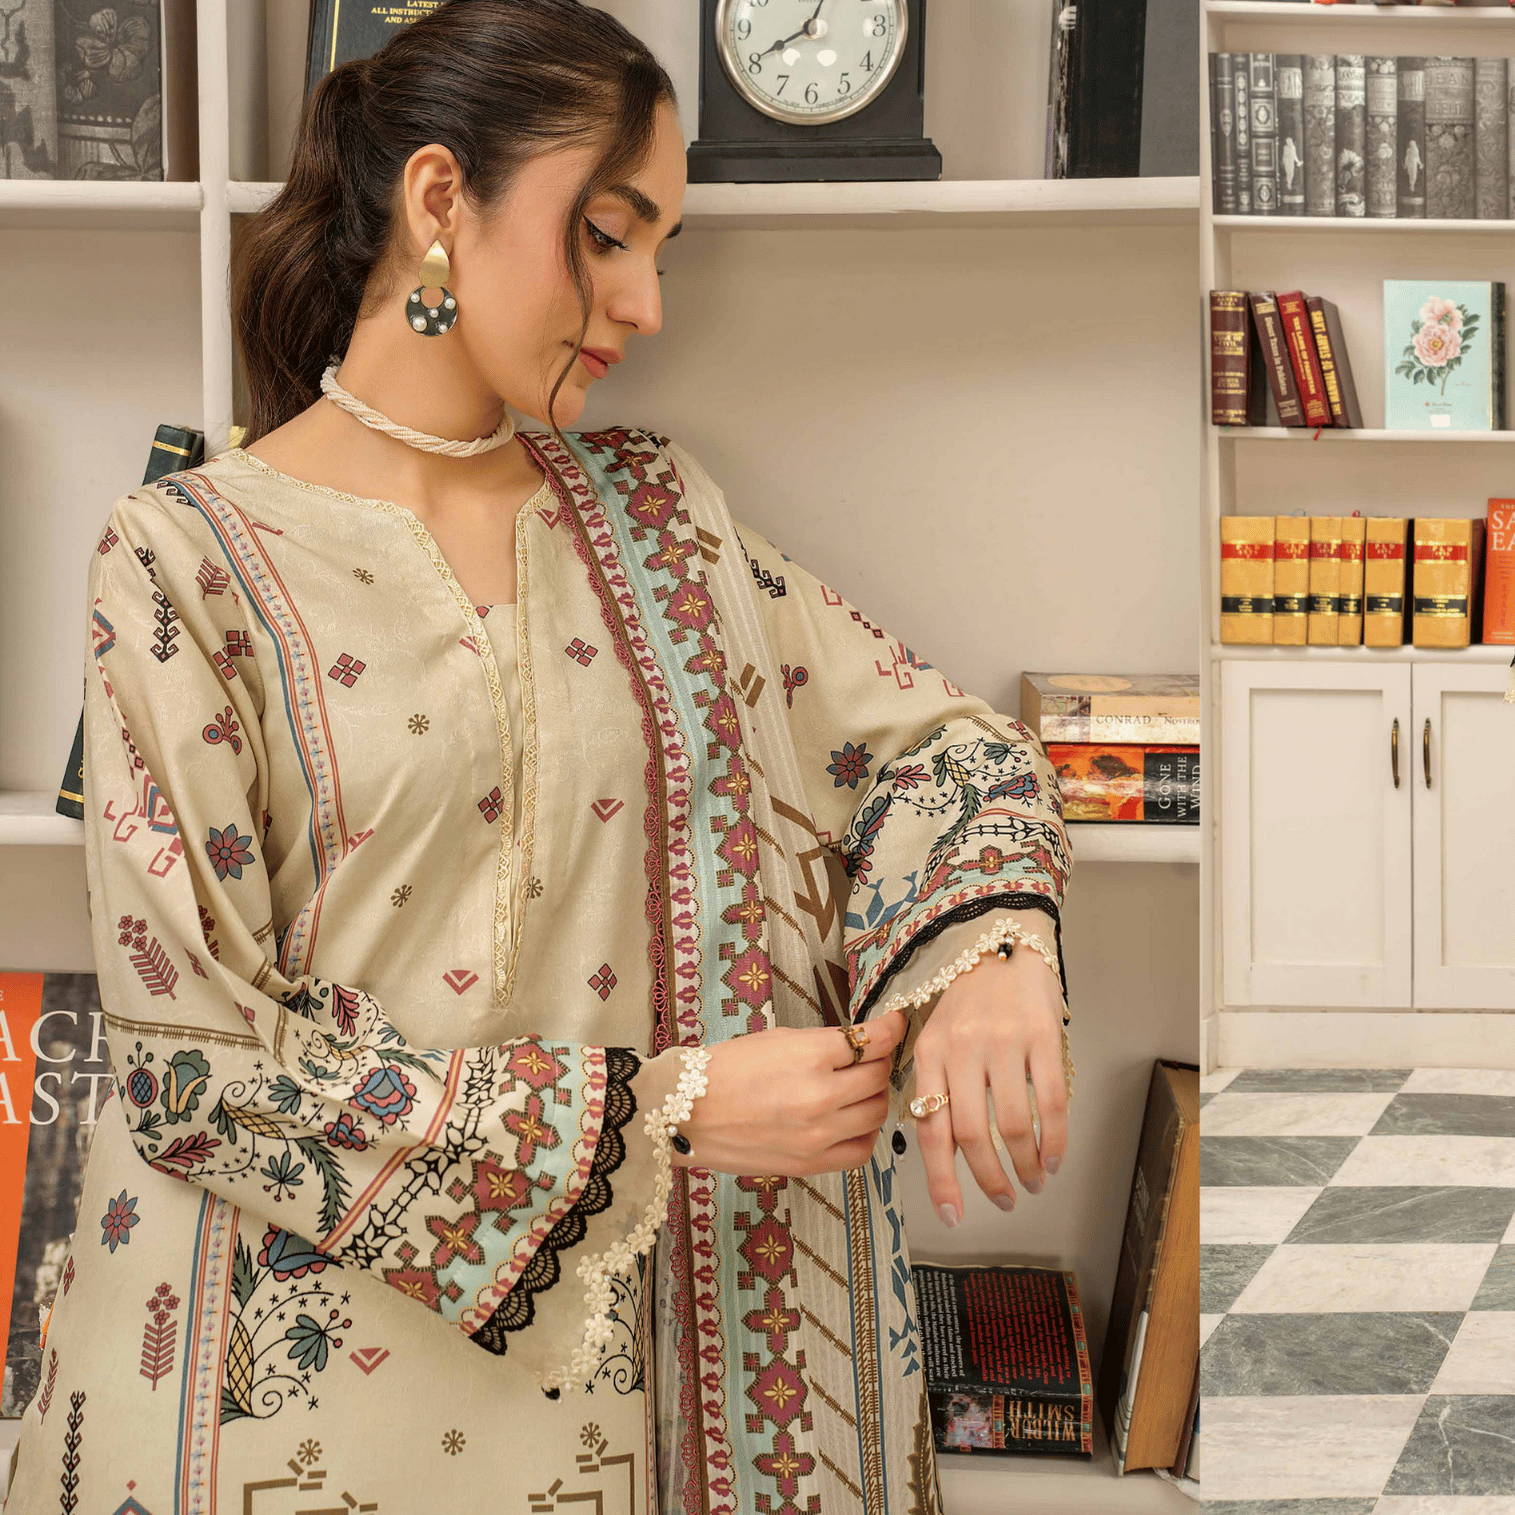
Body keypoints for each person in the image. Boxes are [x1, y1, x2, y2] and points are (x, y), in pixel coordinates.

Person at [4, 2, 1072, 1507]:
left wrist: (986, 952)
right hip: (265, 1413)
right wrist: (675, 1105)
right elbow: (196, 1069)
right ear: (441, 201)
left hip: (614, 1412)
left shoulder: (658, 519)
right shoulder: (183, 561)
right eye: (608, 234)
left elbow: (932, 748)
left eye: (660, 251)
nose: (643, 304)